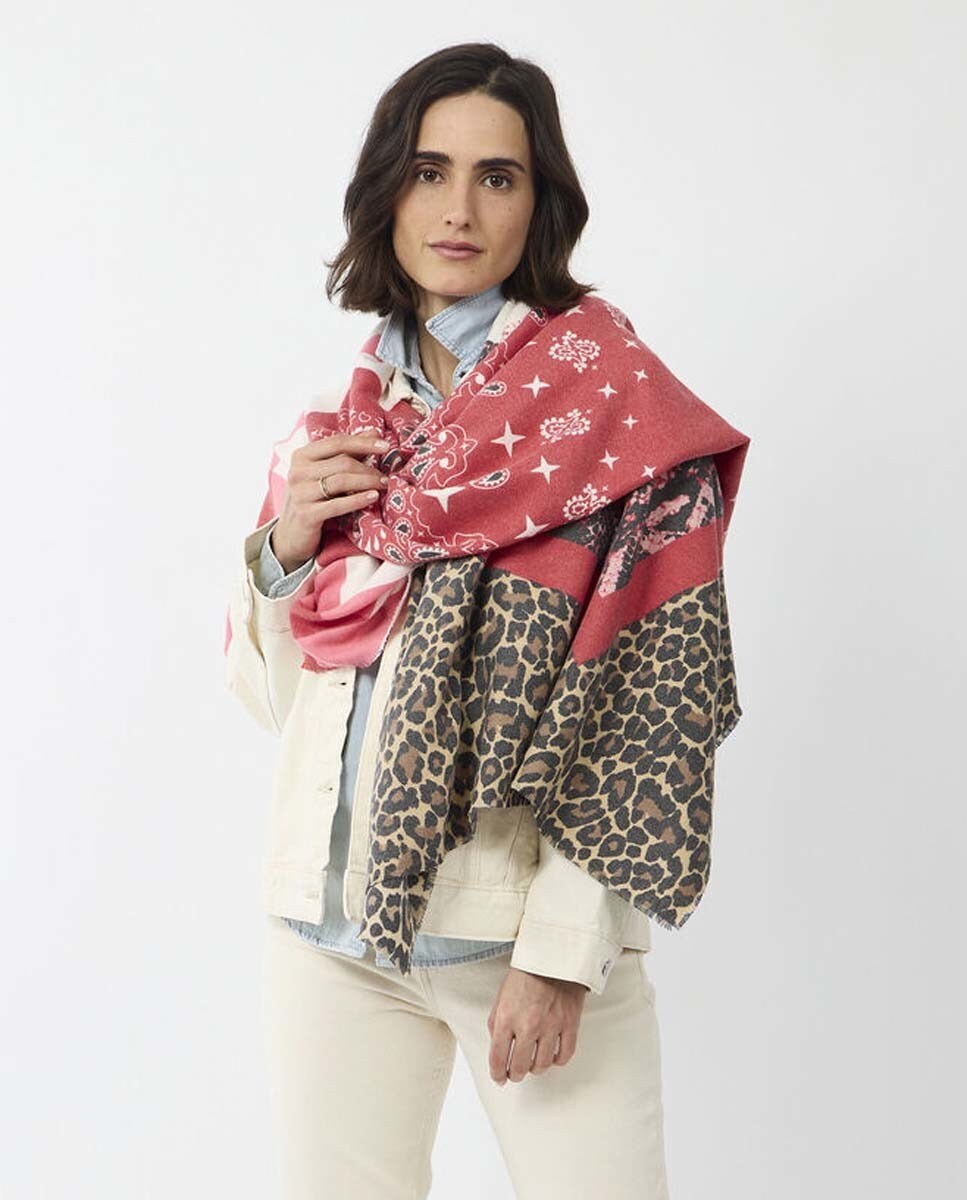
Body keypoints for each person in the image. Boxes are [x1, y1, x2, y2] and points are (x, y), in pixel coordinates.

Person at [226, 42, 675, 1200]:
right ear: (388, 191)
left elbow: (639, 713)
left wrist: (563, 952)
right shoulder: (347, 424)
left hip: (511, 934)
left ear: (541, 201)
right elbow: (276, 705)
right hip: (331, 933)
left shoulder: (600, 408)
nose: (458, 210)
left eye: (497, 176)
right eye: (429, 172)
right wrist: (284, 551)